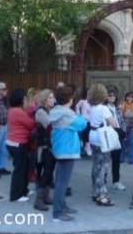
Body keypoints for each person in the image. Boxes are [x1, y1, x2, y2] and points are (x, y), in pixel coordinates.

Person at [49, 86, 87, 222]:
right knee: (62, 183)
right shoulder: (67, 113)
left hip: (60, 149)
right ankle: (57, 213)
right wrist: (81, 114)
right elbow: (82, 124)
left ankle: (62, 206)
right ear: (70, 99)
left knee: (60, 179)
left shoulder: (55, 111)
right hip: (68, 150)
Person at [88, 83, 117, 206]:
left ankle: (95, 191)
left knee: (95, 165)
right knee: (103, 166)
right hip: (102, 138)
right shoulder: (104, 108)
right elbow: (114, 123)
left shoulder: (92, 107)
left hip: (93, 136)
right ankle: (102, 195)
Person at [6, 88, 36, 202]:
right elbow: (31, 124)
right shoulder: (17, 112)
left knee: (24, 168)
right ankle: (15, 195)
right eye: (25, 99)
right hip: (18, 144)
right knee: (19, 170)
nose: (26, 101)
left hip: (15, 143)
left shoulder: (13, 110)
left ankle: (24, 190)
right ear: (20, 99)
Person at [33, 89, 56, 211]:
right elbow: (50, 125)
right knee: (45, 173)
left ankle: (46, 197)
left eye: (53, 97)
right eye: (50, 98)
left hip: (49, 147)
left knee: (49, 172)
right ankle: (39, 200)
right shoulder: (41, 112)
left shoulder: (49, 111)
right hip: (43, 147)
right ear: (45, 100)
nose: (53, 100)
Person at [105, 90, 127, 190]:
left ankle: (116, 181)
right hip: (109, 135)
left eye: (114, 95)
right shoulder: (104, 108)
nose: (112, 97)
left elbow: (122, 121)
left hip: (118, 135)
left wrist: (123, 131)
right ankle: (103, 183)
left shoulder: (117, 108)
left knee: (116, 160)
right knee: (105, 160)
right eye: (110, 95)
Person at [120, 91, 133, 165]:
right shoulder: (122, 105)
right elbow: (120, 115)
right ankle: (121, 158)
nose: (129, 98)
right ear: (126, 97)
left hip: (132, 126)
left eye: (131, 97)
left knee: (132, 142)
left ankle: (131, 158)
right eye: (128, 96)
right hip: (124, 126)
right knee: (122, 142)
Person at [75, 88, 92, 156]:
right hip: (83, 120)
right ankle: (87, 146)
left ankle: (87, 146)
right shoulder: (82, 101)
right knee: (85, 133)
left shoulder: (92, 102)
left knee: (89, 133)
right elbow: (77, 107)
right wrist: (79, 115)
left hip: (90, 120)